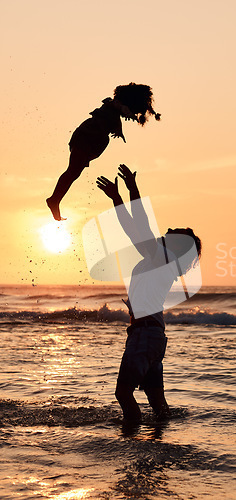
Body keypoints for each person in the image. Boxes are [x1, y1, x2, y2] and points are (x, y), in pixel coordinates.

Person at [96, 164, 202, 424]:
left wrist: (129, 191)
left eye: (173, 231)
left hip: (145, 335)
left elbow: (140, 227)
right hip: (152, 335)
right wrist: (122, 197)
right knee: (158, 406)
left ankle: (132, 441)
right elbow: (136, 231)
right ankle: (160, 447)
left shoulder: (162, 257)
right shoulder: (164, 261)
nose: (167, 230)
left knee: (123, 393)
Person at [46, 83, 161, 221]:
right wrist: (128, 114)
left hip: (92, 140)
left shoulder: (114, 110)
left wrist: (120, 129)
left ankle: (55, 200)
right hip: (87, 136)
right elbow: (118, 107)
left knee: (75, 173)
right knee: (72, 171)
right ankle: (54, 200)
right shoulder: (114, 104)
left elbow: (117, 116)